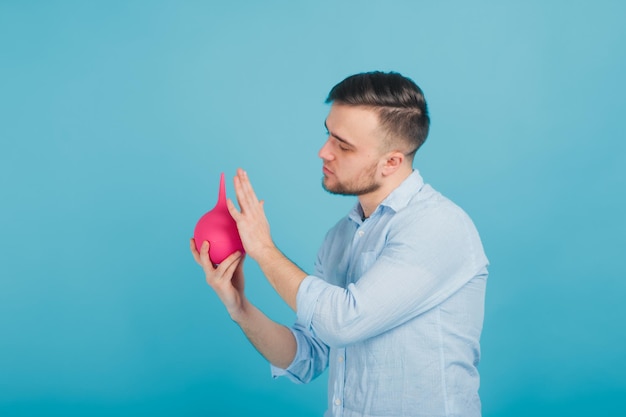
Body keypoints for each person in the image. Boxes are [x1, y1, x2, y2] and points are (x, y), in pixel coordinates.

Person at [190, 71, 489, 417]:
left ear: (392, 161)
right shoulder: (340, 236)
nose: (323, 152)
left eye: (343, 145)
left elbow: (342, 321)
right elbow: (308, 355)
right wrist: (240, 308)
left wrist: (264, 250)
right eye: (328, 135)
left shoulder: (438, 227)